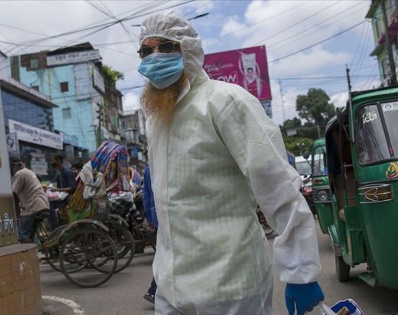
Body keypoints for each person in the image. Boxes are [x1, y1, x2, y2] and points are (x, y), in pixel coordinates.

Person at [138, 11, 323, 315]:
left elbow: (278, 188)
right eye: (146, 51)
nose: (154, 58)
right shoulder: (157, 121)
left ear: (187, 50)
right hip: (171, 289)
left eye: (165, 47)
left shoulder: (225, 102)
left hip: (231, 287)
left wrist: (301, 271)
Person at [10, 157, 50, 243]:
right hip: (42, 204)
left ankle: (30, 255)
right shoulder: (28, 171)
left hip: (32, 207)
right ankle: (33, 250)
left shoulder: (19, 174)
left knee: (22, 234)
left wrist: (17, 215)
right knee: (30, 234)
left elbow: (14, 194)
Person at [142, 164, 158, 304]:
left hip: (157, 215)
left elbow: (145, 195)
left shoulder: (148, 169)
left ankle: (153, 290)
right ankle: (153, 290)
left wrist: (149, 217)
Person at [49, 154, 77, 228]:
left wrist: (56, 190)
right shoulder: (59, 173)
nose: (52, 162)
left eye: (53, 160)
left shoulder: (68, 172)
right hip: (62, 196)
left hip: (69, 196)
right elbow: (59, 187)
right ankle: (56, 228)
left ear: (58, 160)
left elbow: (72, 187)